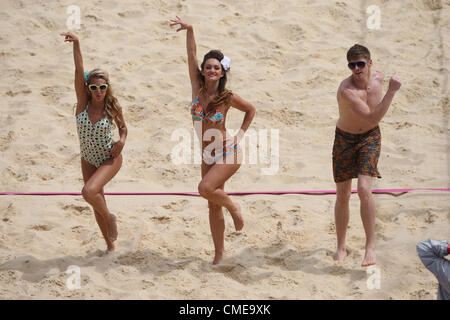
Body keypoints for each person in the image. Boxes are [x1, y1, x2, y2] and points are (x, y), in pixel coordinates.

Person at [170, 16, 256, 264]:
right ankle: (219, 254)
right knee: (211, 204)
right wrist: (190, 29)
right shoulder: (196, 87)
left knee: (205, 189)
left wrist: (239, 136)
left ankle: (234, 207)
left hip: (228, 152)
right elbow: (191, 55)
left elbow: (251, 110)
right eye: (208, 67)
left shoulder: (227, 96)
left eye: (216, 68)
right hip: (207, 154)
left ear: (221, 73)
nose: (211, 70)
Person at [332, 44, 401, 266]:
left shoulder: (378, 78)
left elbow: (371, 125)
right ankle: (341, 247)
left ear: (369, 63)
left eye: (360, 64)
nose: (356, 69)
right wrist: (391, 92)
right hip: (345, 137)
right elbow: (372, 118)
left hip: (370, 138)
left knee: (363, 189)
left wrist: (387, 88)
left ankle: (369, 247)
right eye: (351, 65)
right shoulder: (347, 90)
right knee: (343, 194)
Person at [61, 32, 128, 252]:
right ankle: (110, 246)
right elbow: (79, 71)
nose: (98, 91)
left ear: (107, 87)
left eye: (102, 87)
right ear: (88, 90)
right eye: (94, 88)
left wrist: (122, 141)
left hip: (109, 158)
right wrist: (77, 44)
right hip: (88, 158)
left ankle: (111, 219)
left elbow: (124, 128)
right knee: (95, 200)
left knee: (89, 192)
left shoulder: (112, 106)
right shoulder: (83, 104)